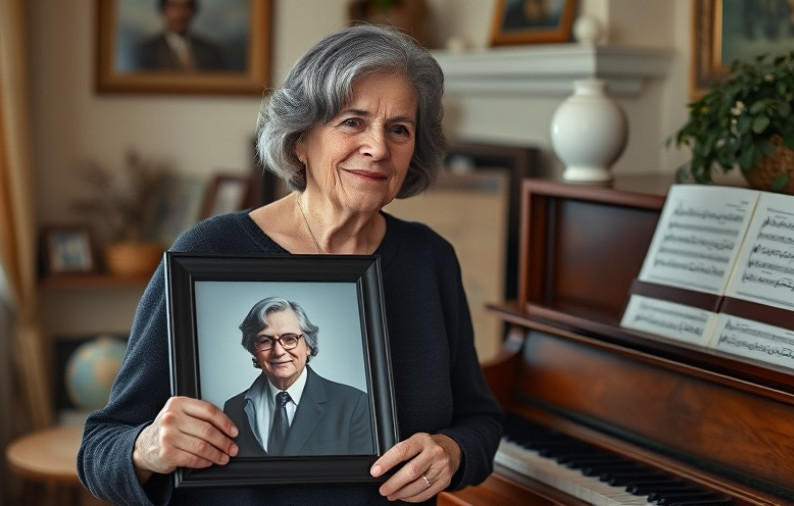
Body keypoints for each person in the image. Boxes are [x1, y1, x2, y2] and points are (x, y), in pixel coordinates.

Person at [78, 23, 504, 505]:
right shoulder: (208, 251)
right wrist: (149, 448)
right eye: (352, 122)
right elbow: (99, 448)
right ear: (301, 139)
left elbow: (481, 422)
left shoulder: (430, 259)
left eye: (399, 129)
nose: (379, 147)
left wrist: (453, 450)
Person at [222, 296, 373, 457]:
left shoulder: (354, 405)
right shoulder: (233, 408)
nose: (278, 351)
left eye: (289, 339)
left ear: (308, 345)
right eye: (265, 340)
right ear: (253, 350)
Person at [136, 0, 225, 72]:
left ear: (193, 12)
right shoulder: (147, 51)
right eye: (174, 6)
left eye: (186, 7)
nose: (180, 14)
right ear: (163, 11)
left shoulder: (210, 51)